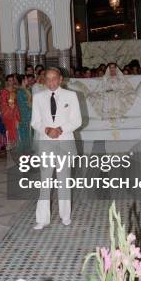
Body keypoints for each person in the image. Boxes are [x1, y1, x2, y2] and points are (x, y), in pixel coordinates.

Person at [31, 67, 82, 230]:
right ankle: (42, 218)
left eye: (55, 78)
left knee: (63, 180)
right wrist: (46, 130)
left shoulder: (71, 96)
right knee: (45, 181)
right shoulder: (38, 97)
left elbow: (77, 121)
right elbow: (35, 121)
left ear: (61, 80)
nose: (51, 82)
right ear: (44, 80)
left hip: (64, 140)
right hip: (46, 141)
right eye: (48, 79)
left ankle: (65, 216)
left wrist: (59, 129)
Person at [0, 74, 20, 148]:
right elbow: (3, 103)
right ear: (7, 82)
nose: (11, 82)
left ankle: (17, 145)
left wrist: (15, 108)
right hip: (8, 113)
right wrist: (10, 110)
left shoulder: (16, 90)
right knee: (9, 129)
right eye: (9, 80)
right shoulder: (4, 91)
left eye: (12, 80)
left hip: (16, 112)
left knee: (16, 128)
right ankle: (10, 144)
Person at [16, 74, 32, 152]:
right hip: (24, 114)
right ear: (22, 80)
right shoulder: (20, 91)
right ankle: (24, 150)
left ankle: (28, 149)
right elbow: (21, 104)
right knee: (24, 133)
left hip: (30, 112)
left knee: (29, 132)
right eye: (26, 79)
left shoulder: (28, 89)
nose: (27, 80)